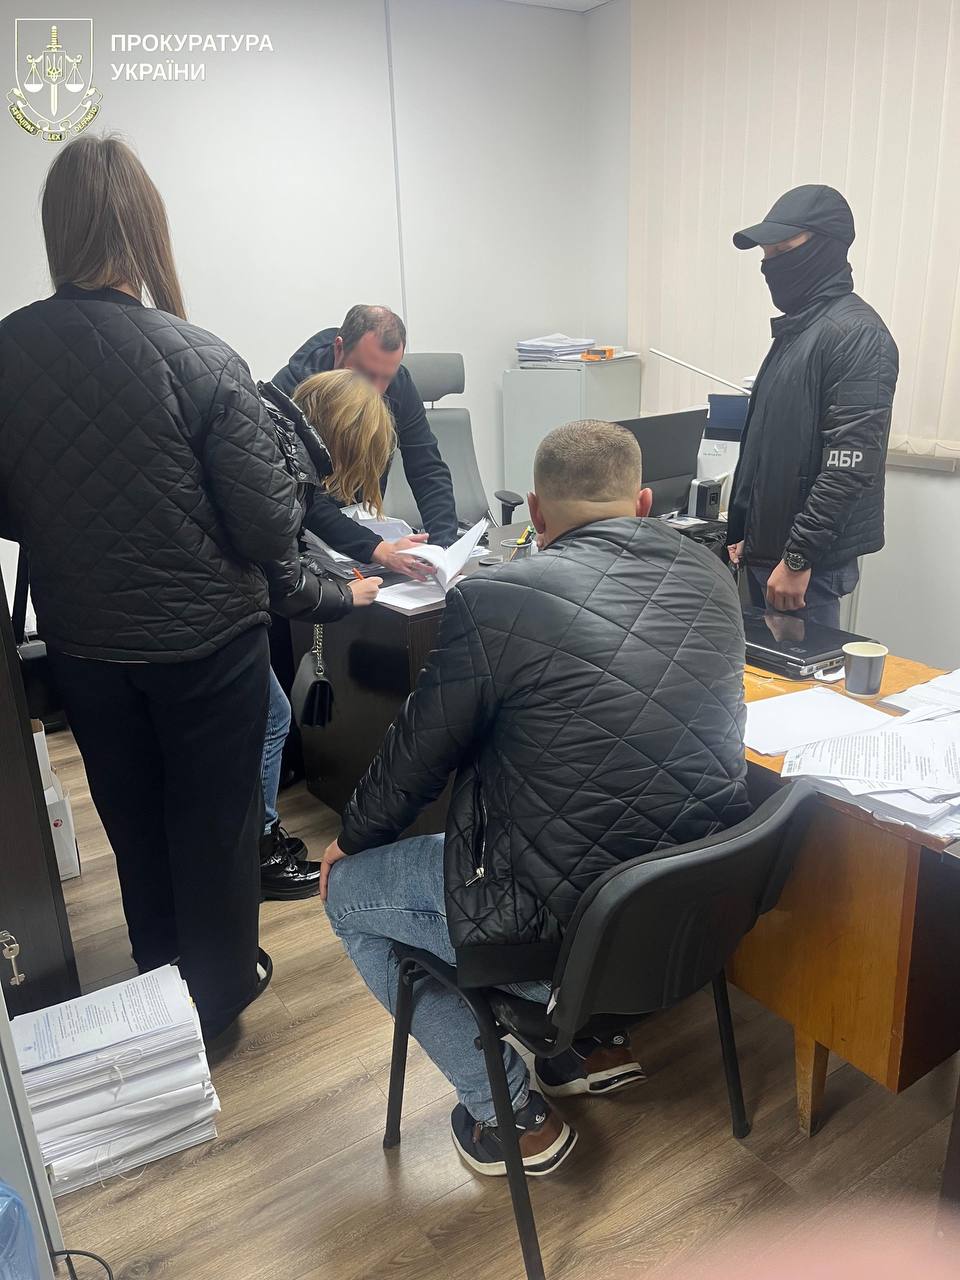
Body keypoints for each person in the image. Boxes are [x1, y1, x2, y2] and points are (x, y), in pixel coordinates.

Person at [319, 420, 750, 1177]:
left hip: (560, 928)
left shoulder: (495, 598)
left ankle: (511, 1116)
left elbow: (416, 759)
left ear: (538, 513)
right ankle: (587, 1045)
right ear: (644, 504)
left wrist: (349, 842)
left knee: (347, 895)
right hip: (686, 913)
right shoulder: (712, 574)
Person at [0, 135, 302, 1041]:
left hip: (85, 641)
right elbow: (267, 529)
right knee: (214, 824)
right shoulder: (199, 355)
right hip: (208, 642)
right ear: (145, 229)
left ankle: (158, 975)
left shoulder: (7, 350)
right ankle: (216, 998)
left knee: (131, 818)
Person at [727, 184, 899, 628]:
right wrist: (748, 533)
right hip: (770, 555)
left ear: (825, 247)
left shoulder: (856, 335)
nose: (770, 265)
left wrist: (798, 557)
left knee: (801, 672)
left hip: (805, 569)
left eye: (783, 250)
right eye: (766, 254)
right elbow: (769, 449)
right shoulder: (800, 331)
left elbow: (849, 464)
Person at [254, 373, 389, 899]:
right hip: (217, 613)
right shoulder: (282, 463)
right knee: (271, 718)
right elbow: (284, 579)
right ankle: (261, 852)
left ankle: (256, 838)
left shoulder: (272, 439)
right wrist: (343, 596)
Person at [273, 305, 459, 574]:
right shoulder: (292, 393)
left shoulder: (399, 384)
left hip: (362, 536)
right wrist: (377, 549)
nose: (376, 389)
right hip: (306, 547)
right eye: (366, 374)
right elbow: (302, 495)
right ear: (339, 348)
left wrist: (443, 549)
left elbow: (427, 469)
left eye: (386, 377)